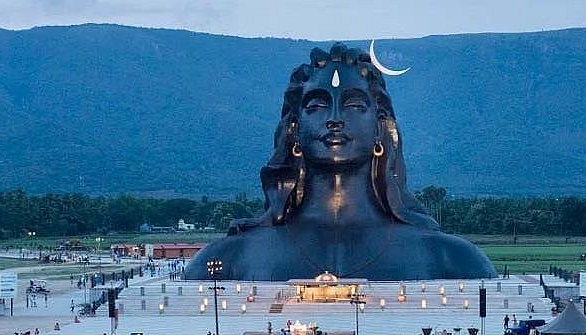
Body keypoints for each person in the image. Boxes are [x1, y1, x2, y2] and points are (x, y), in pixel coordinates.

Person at [184, 43, 496, 281]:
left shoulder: (451, 260)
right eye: (318, 105)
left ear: (379, 127)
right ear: (294, 129)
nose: (335, 119)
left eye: (354, 105)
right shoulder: (230, 259)